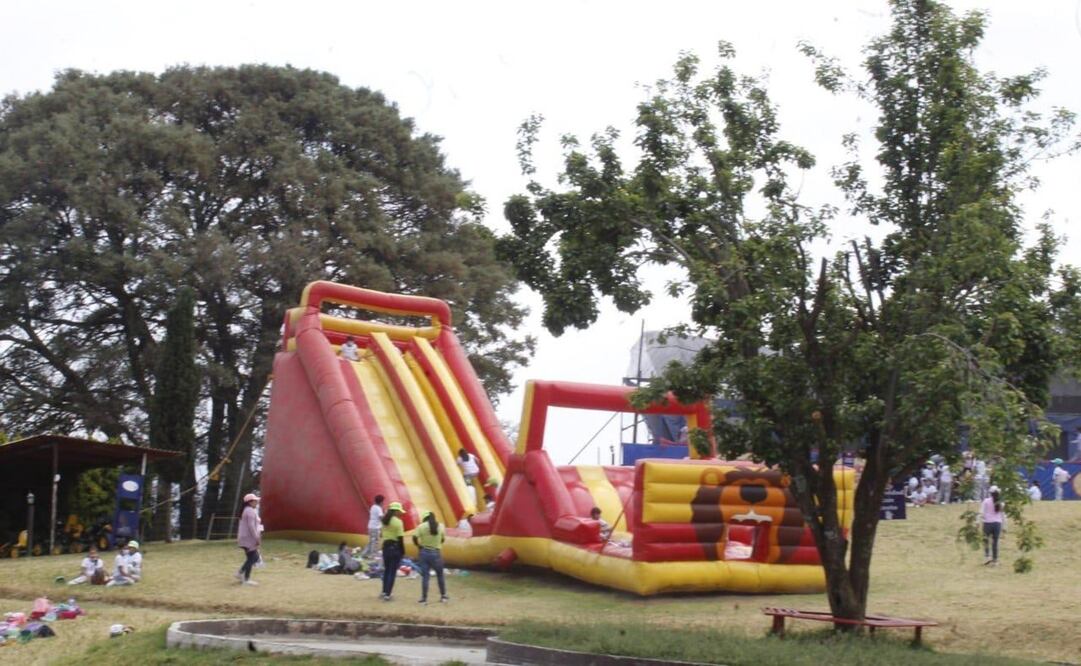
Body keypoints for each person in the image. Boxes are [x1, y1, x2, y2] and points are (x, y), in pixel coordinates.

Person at [412, 510, 449, 604]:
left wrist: (419, 545)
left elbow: (414, 537)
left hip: (424, 553)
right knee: (440, 575)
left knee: (425, 577)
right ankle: (443, 596)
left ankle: (424, 599)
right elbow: (443, 539)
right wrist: (437, 544)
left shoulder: (421, 526)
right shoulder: (441, 526)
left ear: (425, 519)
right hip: (436, 553)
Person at [380, 501, 406, 601]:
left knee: (386, 570)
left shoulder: (384, 521)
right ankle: (388, 594)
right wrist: (402, 551)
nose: (400, 513)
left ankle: (383, 592)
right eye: (399, 511)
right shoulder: (398, 522)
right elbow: (400, 538)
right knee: (392, 571)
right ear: (395, 511)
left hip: (385, 546)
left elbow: (382, 534)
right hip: (395, 547)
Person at [236, 492, 262, 586]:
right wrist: (257, 538)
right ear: (250, 502)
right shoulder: (250, 511)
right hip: (249, 539)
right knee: (254, 557)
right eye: (255, 501)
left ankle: (245, 578)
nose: (257, 503)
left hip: (244, 538)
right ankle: (241, 573)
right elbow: (251, 526)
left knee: (251, 558)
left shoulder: (245, 510)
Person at [981, 485, 1005, 566]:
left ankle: (987, 556)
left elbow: (982, 513)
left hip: (987, 523)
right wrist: (1005, 526)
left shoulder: (986, 501)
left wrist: (979, 521)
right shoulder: (1001, 503)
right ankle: (995, 560)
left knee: (986, 540)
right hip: (997, 523)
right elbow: (1003, 515)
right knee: (995, 542)